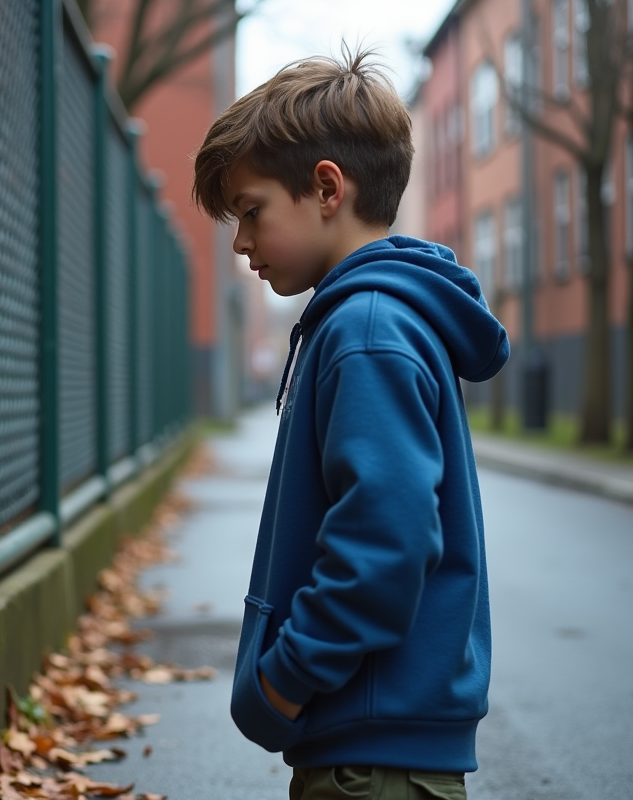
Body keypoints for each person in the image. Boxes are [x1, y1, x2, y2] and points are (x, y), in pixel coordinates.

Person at [191, 48, 509, 800]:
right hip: (381, 746)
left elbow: (385, 542)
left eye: (250, 211)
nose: (240, 244)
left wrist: (284, 680)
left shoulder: (365, 329)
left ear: (326, 187)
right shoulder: (376, 319)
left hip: (369, 764)